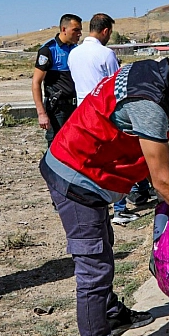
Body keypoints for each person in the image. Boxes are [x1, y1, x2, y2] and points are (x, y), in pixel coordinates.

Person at [40, 39, 169, 336]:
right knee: (93, 266)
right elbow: (163, 180)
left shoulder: (159, 73)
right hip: (76, 173)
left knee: (103, 246)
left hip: (92, 172)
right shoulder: (150, 103)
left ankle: (110, 313)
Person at [67, 12, 145, 225]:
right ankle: (120, 209)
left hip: (82, 112)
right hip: (104, 111)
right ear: (106, 31)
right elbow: (118, 85)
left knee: (89, 159)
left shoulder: (74, 54)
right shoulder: (106, 54)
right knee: (114, 159)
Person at [32, 13, 83, 147]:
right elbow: (36, 83)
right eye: (76, 30)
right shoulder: (49, 50)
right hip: (57, 109)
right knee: (56, 145)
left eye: (80, 30)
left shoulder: (76, 50)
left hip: (75, 106)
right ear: (64, 30)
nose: (79, 34)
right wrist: (41, 113)